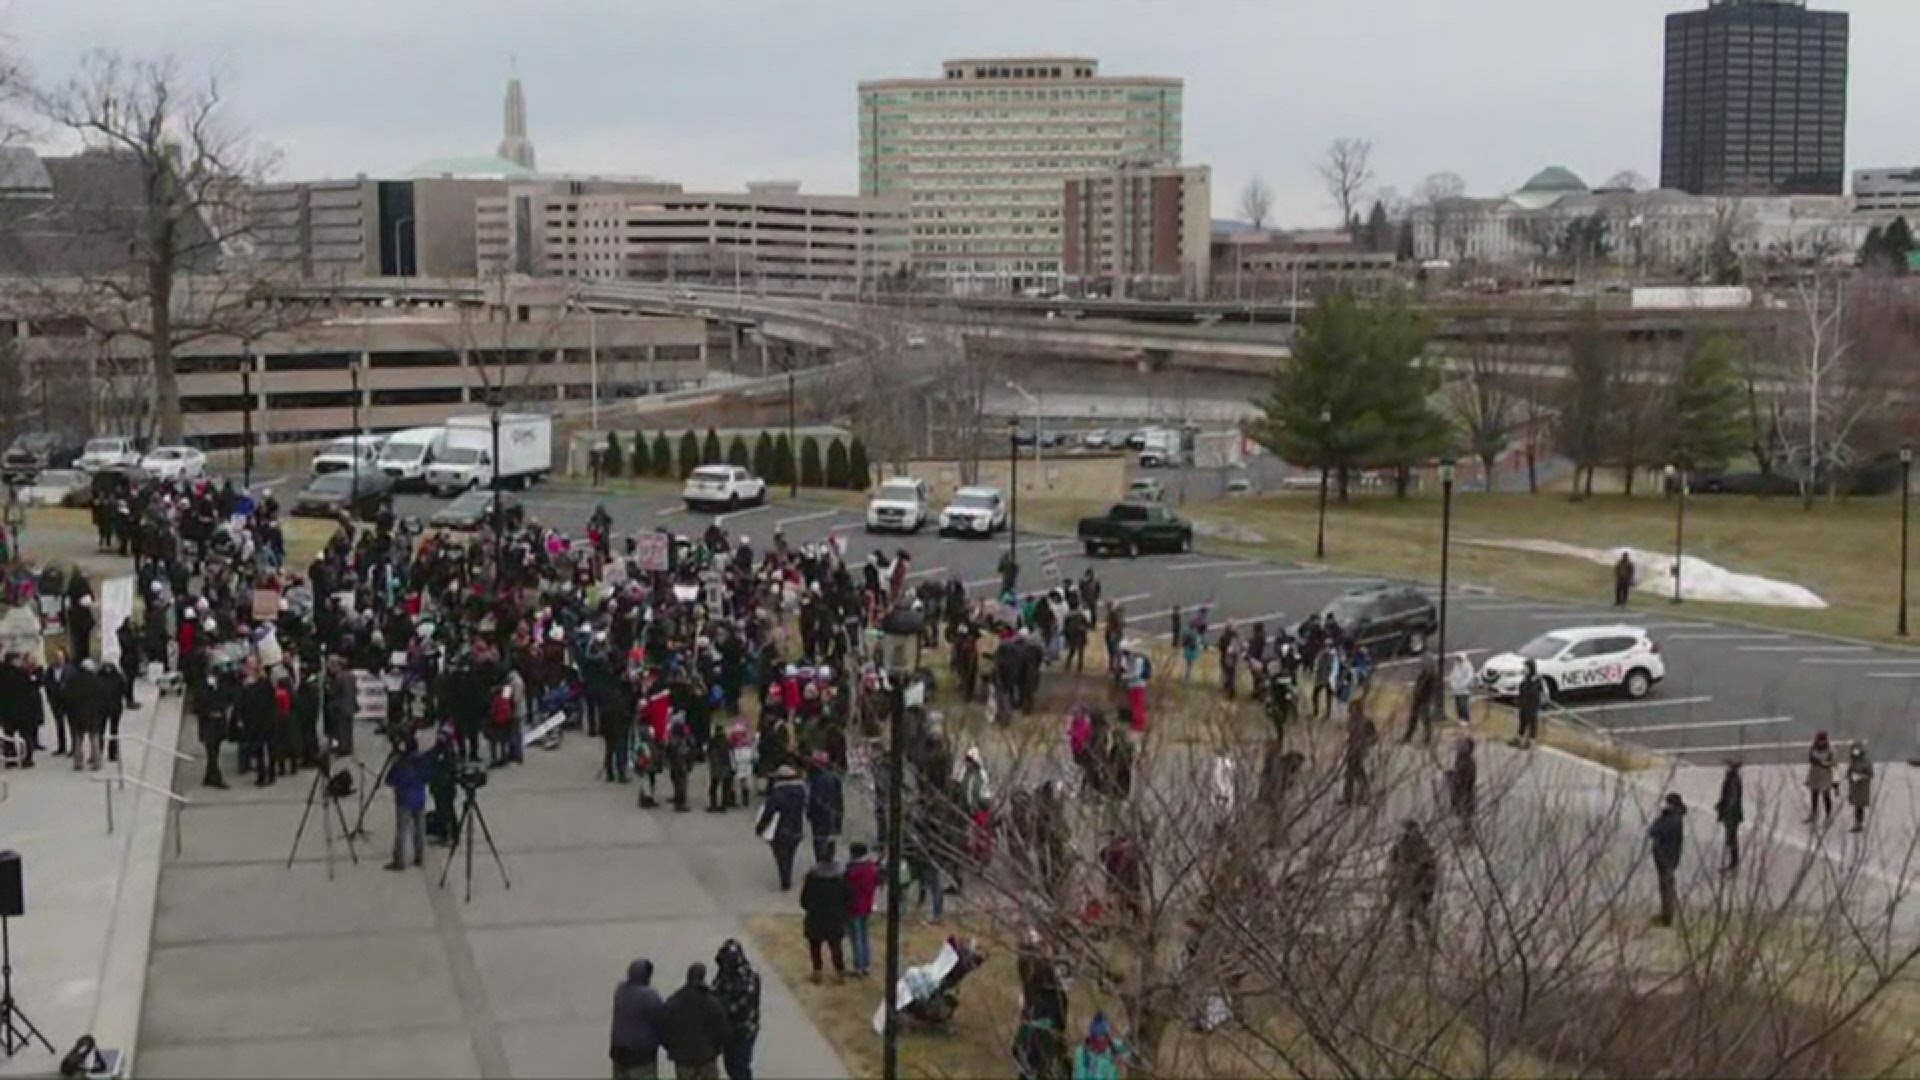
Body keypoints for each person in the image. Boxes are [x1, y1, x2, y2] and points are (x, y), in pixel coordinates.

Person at [658, 962, 730, 1080]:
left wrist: (672, 1047)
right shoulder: (713, 1002)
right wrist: (716, 1049)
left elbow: (663, 1027)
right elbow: (723, 1031)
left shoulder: (675, 1001)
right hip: (707, 1058)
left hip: (683, 1058)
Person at [712, 940, 761, 1080]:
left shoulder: (748, 977)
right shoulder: (724, 973)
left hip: (744, 1029)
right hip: (728, 1029)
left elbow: (742, 1006)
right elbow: (716, 990)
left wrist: (719, 1006)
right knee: (730, 1065)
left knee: (740, 1066)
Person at [610, 959, 665, 1080]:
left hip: (619, 1051)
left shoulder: (620, 991)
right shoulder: (649, 996)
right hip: (641, 1054)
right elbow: (661, 1020)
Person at [1387, 819, 1439, 944]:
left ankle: (1431, 943)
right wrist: (1391, 885)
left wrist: (1427, 889)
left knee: (1420, 916)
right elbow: (1391, 867)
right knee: (1406, 918)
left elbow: (1431, 869)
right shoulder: (1398, 847)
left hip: (1418, 887)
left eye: (1408, 829)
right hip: (1404, 887)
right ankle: (1411, 949)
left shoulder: (1423, 846)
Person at [756, 764, 808, 890]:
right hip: (796, 828)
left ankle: (785, 879)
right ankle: (786, 876)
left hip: (780, 829)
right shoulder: (801, 792)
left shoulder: (777, 794)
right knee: (790, 854)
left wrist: (760, 827)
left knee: (780, 856)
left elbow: (768, 813)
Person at [799, 857, 850, 983]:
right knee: (836, 946)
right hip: (835, 917)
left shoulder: (812, 878)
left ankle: (817, 972)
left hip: (816, 916)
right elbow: (848, 897)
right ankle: (840, 972)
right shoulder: (840, 878)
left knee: (815, 946)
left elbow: (804, 900)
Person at [384, 735, 427, 871]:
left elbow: (390, 780)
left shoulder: (401, 763)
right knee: (419, 829)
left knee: (402, 831)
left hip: (404, 799)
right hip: (419, 798)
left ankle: (399, 860)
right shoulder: (422, 761)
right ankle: (419, 857)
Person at [1648, 791, 1686, 928]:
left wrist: (1661, 819)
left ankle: (1667, 917)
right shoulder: (1672, 817)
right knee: (1665, 886)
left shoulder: (1672, 820)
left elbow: (1654, 831)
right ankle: (1666, 914)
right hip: (1666, 856)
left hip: (1666, 857)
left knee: (1667, 887)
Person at [843, 841, 880, 977]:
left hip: (854, 907)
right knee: (864, 935)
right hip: (867, 904)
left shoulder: (853, 871)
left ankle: (858, 965)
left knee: (856, 937)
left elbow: (847, 887)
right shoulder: (871, 868)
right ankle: (866, 964)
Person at [805, 751, 843, 864]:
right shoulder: (834, 778)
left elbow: (815, 799)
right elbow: (839, 799)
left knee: (820, 841)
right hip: (833, 813)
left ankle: (822, 863)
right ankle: (828, 861)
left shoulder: (817, 779)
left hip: (820, 815)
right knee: (830, 839)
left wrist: (810, 812)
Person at [1071, 1011, 1128, 1080]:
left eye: (1104, 1038)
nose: (1101, 1042)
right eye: (1097, 1039)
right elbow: (1080, 1075)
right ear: (1092, 1037)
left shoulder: (1117, 1048)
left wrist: (1121, 1058)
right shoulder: (1082, 1052)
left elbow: (1129, 1053)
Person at [1340, 701, 1377, 806]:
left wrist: (1364, 743)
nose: (1352, 712)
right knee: (1351, 774)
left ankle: (1363, 796)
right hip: (1351, 750)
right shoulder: (1350, 721)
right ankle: (1348, 797)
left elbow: (1374, 738)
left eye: (1354, 710)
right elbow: (1351, 735)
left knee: (1357, 773)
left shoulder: (1366, 722)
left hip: (1360, 751)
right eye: (1351, 710)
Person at [1806, 731, 1837, 826]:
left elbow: (1834, 762)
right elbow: (1810, 758)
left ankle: (1828, 816)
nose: (1820, 742)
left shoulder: (1831, 749)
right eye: (1819, 740)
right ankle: (1813, 814)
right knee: (1814, 795)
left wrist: (1824, 763)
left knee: (1826, 796)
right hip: (1814, 774)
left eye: (1822, 740)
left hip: (1825, 775)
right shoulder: (1813, 747)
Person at [1513, 660, 1545, 749]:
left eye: (1526, 667)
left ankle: (1530, 741)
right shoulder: (1526, 677)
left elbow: (1534, 691)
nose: (1524, 669)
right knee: (1522, 721)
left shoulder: (1536, 679)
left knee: (1531, 722)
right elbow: (1522, 689)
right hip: (1524, 703)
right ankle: (1518, 738)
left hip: (1532, 704)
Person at [1447, 736, 1477, 825]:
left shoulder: (1465, 762)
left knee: (1463, 817)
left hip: (1463, 796)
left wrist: (1451, 777)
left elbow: (1460, 779)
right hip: (1465, 795)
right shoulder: (1463, 760)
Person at [1846, 742, 1874, 834]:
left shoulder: (1866, 761)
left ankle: (1859, 823)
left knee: (1860, 805)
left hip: (1863, 787)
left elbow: (1870, 774)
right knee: (1856, 805)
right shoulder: (1853, 761)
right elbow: (1849, 772)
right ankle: (1857, 823)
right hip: (1854, 786)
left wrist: (1861, 776)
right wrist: (1851, 777)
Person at [1447, 652, 1475, 725]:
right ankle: (1461, 718)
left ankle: (1467, 719)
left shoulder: (1468, 666)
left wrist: (1463, 684)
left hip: (1464, 689)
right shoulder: (1456, 665)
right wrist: (1452, 683)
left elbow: (1470, 677)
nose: (1458, 659)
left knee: (1464, 704)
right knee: (1458, 704)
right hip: (1456, 689)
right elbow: (1453, 675)